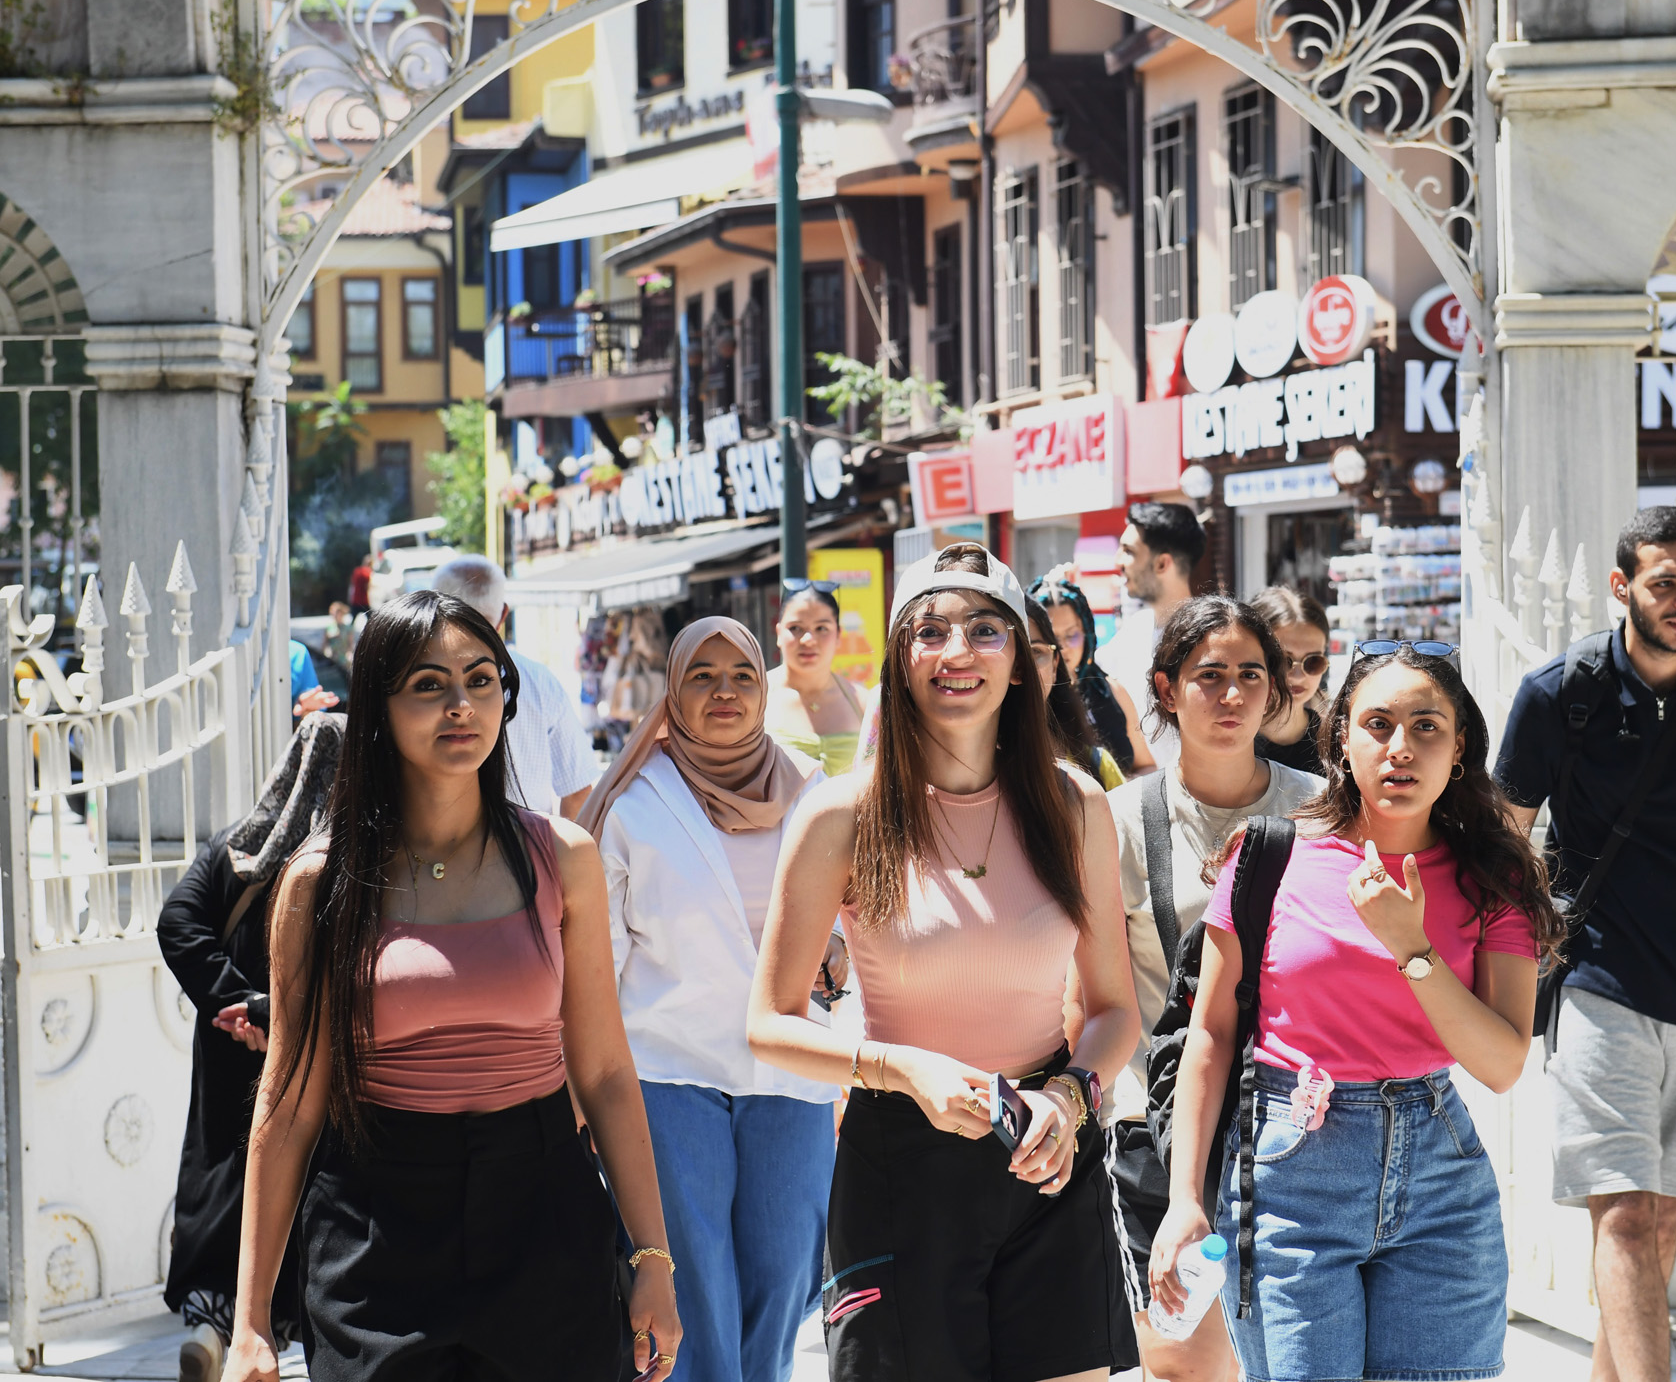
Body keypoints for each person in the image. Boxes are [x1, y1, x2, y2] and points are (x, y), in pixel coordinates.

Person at [220, 591, 680, 1382]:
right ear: (380, 707)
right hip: (376, 1221)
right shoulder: (319, 882)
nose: (461, 704)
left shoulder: (563, 857)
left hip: (545, 1212)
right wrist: (250, 1323)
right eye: (428, 684)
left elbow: (603, 1071)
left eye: (481, 678)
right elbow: (289, 1102)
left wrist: (653, 1259)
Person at [746, 543, 1142, 1382]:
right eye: (930, 631)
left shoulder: (1077, 805)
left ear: (1023, 664)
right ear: (898, 662)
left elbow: (1112, 1009)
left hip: (1046, 1155)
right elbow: (769, 1024)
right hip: (900, 1165)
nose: (957, 651)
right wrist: (901, 1068)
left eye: (985, 630)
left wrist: (1070, 1098)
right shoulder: (838, 816)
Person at [1152, 640, 1557, 1382]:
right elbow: (1209, 1035)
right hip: (1288, 1176)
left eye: (1427, 725)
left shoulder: (1493, 875)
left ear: (1459, 743)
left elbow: (1501, 1064)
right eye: (1377, 724)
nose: (1401, 748)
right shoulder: (1269, 857)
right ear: (1341, 736)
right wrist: (1184, 1199)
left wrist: (1411, 946)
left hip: (1442, 1177)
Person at [1492, 505, 1676, 1382]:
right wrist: (1523, 947)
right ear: (1623, 587)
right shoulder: (1560, 693)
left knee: (1659, 1217)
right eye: (1666, 583)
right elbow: (1507, 833)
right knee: (1618, 1210)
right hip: (1600, 976)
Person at [580, 616, 842, 1382]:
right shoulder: (634, 805)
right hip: (667, 1073)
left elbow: (854, 913)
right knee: (691, 1290)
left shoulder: (811, 788)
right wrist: (584, 1094)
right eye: (702, 674)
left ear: (764, 691)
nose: (724, 690)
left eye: (742, 675)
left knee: (783, 1281)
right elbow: (600, 964)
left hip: (791, 1074)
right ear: (673, 691)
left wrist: (839, 958)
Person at [1104, 596, 1322, 1382]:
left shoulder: (1322, 810)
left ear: (1276, 692)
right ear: (1166, 688)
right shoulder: (1121, 820)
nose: (1231, 695)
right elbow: (1092, 982)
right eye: (1209, 676)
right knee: (1187, 1365)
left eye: (1250, 676)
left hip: (1299, 1130)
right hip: (1158, 1132)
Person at [161, 714, 345, 1382]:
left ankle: (216, 1327)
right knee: (305, 1186)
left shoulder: (235, 846)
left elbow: (176, 922)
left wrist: (230, 1002)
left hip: (229, 1047)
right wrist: (269, 1013)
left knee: (222, 1175)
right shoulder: (339, 861)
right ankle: (286, 1336)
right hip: (308, 1053)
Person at [432, 554, 598, 819]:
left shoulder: (412, 682)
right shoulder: (539, 680)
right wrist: (562, 858)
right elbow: (578, 792)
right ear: (503, 614)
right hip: (528, 852)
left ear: (432, 608)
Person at [1096, 504, 1207, 771]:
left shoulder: (1209, 639)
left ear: (1162, 563)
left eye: (1129, 551)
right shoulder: (1135, 630)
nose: (1118, 561)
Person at [1031, 573, 1151, 776]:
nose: (1062, 647)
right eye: (1050, 637)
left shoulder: (1111, 692)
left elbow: (1146, 766)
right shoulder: (1025, 703)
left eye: (1071, 634)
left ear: (1087, 632)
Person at [766, 578, 873, 777]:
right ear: (779, 633)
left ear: (838, 635)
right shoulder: (756, 695)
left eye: (821, 628)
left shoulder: (864, 703)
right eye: (796, 628)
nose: (808, 640)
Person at [1025, 595, 1125, 791]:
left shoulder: (1099, 766)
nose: (1023, 666)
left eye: (1036, 651)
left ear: (1055, 664)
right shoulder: (967, 771)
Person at [1249, 587, 1334, 776]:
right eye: (1282, 661)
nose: (1297, 675)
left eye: (1313, 662)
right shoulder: (1228, 739)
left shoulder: (1338, 746)